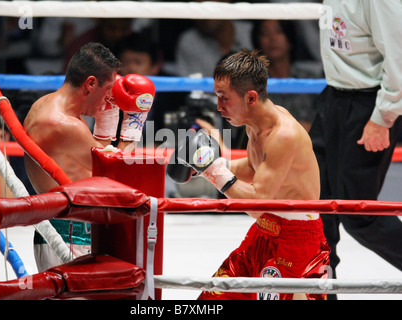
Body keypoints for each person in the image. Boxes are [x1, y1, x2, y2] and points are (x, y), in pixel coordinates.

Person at [167, 49, 330, 300]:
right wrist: (205, 169)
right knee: (211, 300)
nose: (218, 105)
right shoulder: (257, 127)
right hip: (262, 233)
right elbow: (255, 169)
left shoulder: (282, 135)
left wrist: (213, 169)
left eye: (224, 97)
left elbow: (258, 204)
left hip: (296, 243)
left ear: (251, 97)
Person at [23, 42, 155, 271]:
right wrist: (134, 123)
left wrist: (108, 118)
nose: (110, 98)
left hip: (64, 227)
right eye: (108, 90)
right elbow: (115, 177)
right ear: (91, 83)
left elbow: (91, 158)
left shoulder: (47, 105)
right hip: (71, 235)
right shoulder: (64, 125)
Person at [308, 0, 402, 299]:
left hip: (367, 105)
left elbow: (399, 55)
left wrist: (383, 117)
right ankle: (322, 290)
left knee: (359, 214)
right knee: (317, 203)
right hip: (334, 97)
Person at [251, 19, 323, 132]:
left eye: (279, 31)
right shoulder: (253, 83)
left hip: (310, 144)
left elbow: (325, 123)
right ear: (258, 41)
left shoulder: (310, 79)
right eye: (265, 33)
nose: (272, 38)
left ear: (290, 37)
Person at [174, 0, 252, 77]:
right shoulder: (190, 41)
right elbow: (192, 86)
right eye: (198, 10)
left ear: (226, 2)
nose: (204, 15)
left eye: (209, 8)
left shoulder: (250, 33)